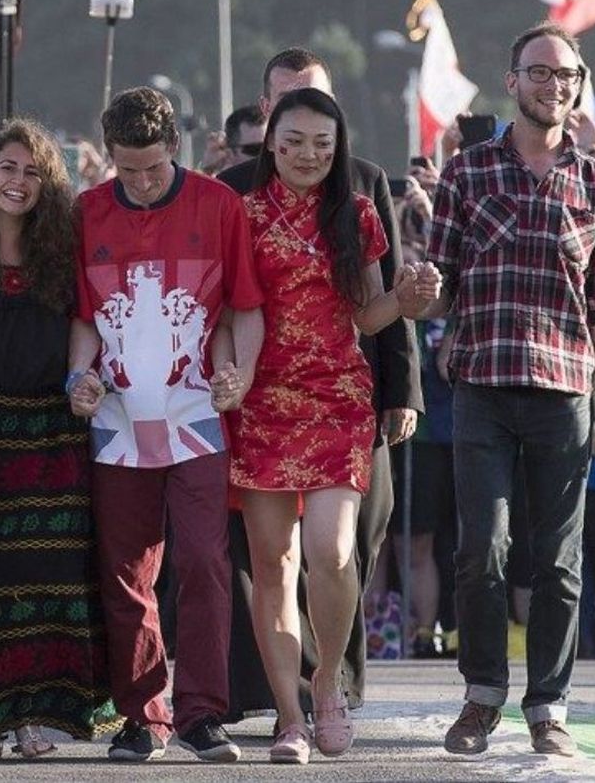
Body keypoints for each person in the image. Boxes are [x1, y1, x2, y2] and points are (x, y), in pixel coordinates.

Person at [421, 22, 595, 759]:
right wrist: (419, 294)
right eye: (540, 73)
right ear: (512, 82)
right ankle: (481, 697)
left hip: (566, 391)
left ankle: (549, 706)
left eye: (567, 75)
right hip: (482, 382)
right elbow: (436, 289)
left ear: (579, 85)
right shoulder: (467, 172)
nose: (555, 85)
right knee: (483, 548)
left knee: (559, 563)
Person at [228, 88, 440, 764]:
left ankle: (327, 682)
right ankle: (290, 716)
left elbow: (368, 316)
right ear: (271, 142)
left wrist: (405, 302)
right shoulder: (243, 214)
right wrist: (229, 373)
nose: (307, 155)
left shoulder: (356, 213)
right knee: (272, 565)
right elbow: (230, 311)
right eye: (292, 141)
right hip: (261, 404)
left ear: (338, 145)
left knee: (333, 549)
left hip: (338, 401)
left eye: (321, 143)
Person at [67, 87, 264, 764]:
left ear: (175, 148)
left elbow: (244, 308)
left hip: (196, 417)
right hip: (118, 424)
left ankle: (203, 713)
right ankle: (142, 715)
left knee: (206, 561)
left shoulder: (217, 204)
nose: (142, 183)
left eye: (153, 168)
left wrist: (240, 372)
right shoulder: (87, 212)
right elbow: (84, 318)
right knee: (126, 572)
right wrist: (79, 379)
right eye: (127, 171)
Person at [0, 120, 118, 760]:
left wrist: (82, 383)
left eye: (34, 172)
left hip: (47, 433)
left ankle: (33, 718)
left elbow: (89, 333)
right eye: (7, 168)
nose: (19, 182)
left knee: (45, 577)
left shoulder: (65, 262)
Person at [200, 105, 266, 176]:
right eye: (255, 149)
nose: (266, 155)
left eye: (272, 146)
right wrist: (208, 171)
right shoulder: (226, 184)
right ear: (230, 154)